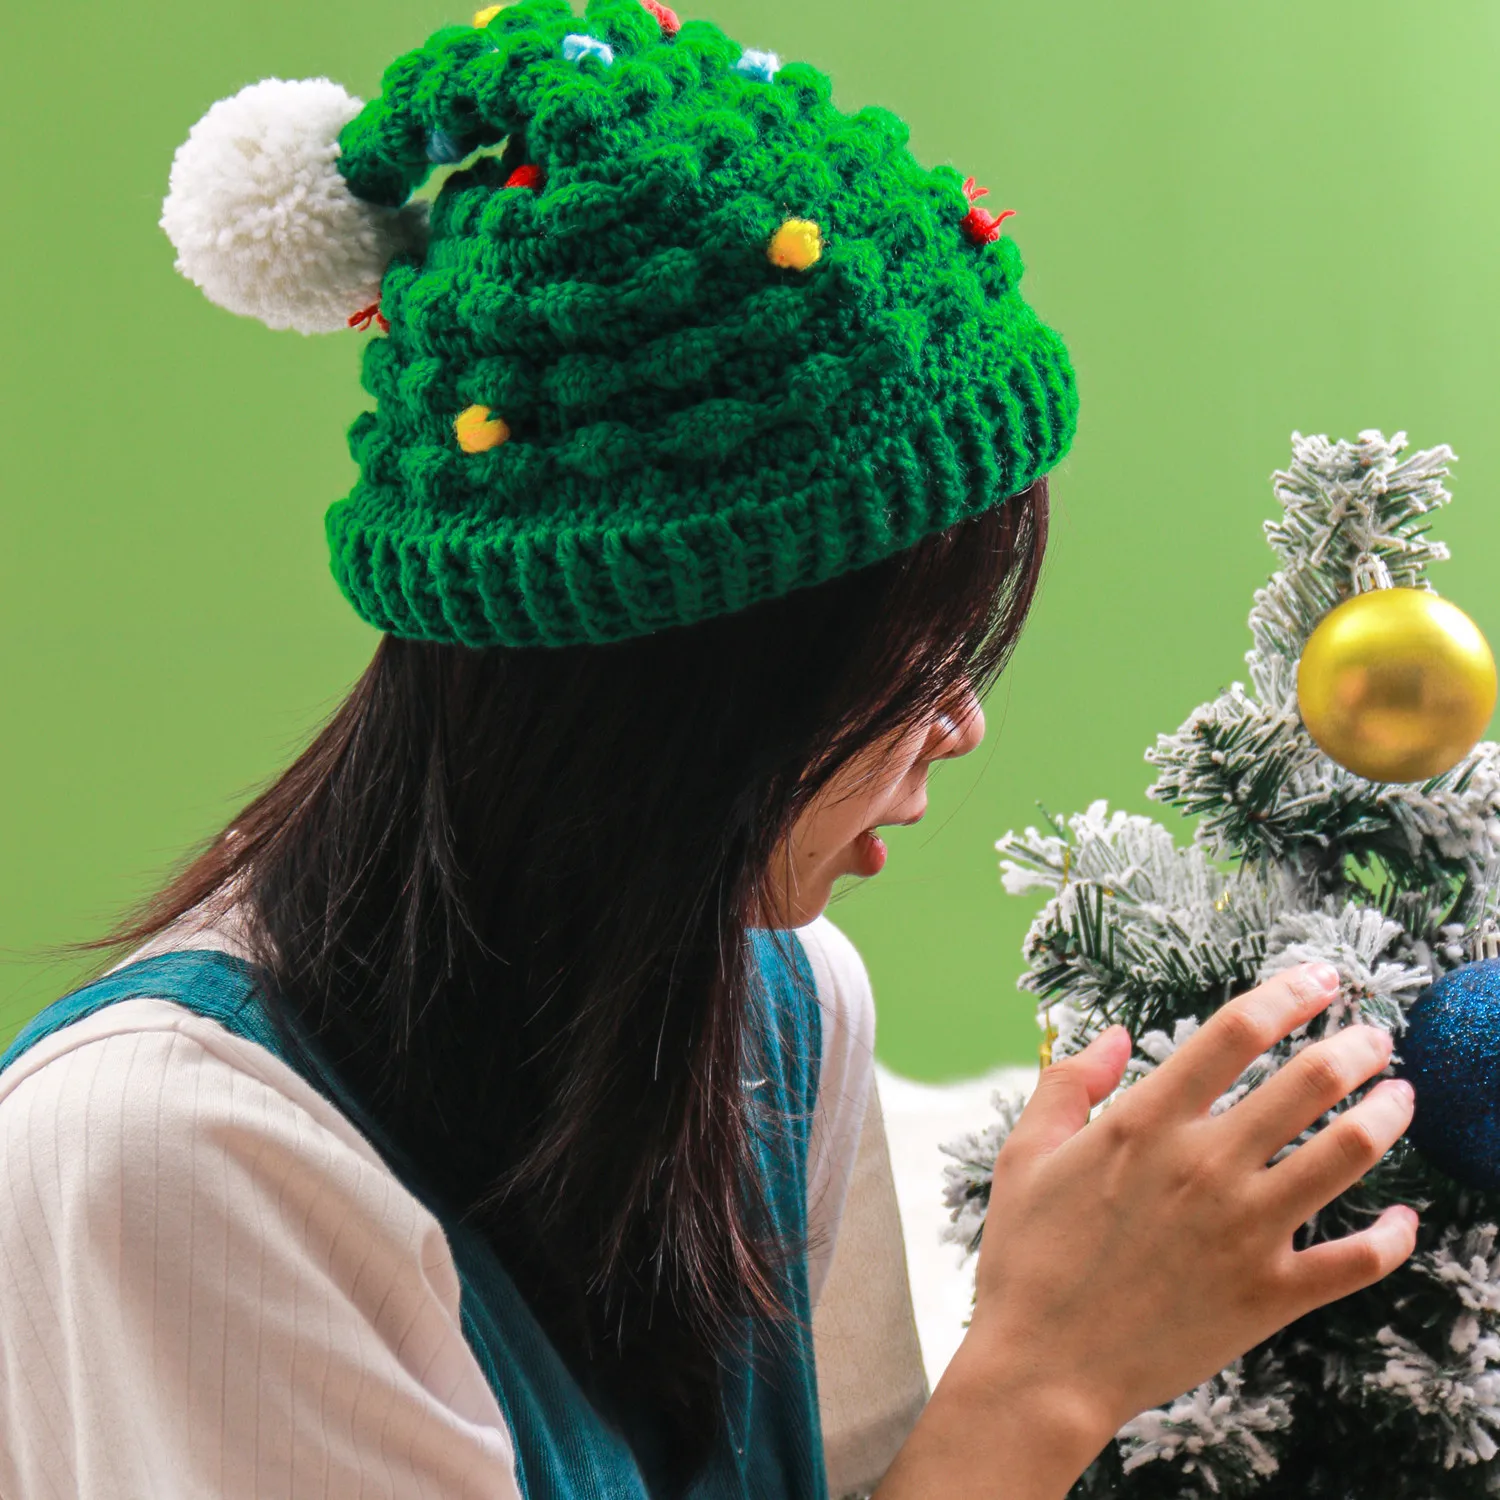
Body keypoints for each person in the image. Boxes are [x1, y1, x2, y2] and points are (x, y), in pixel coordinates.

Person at [0, 0, 1419, 1496]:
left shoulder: (773, 1011)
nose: (964, 725)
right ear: (683, 696)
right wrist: (1047, 1375)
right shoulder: (173, 1169)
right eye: (910, 659)